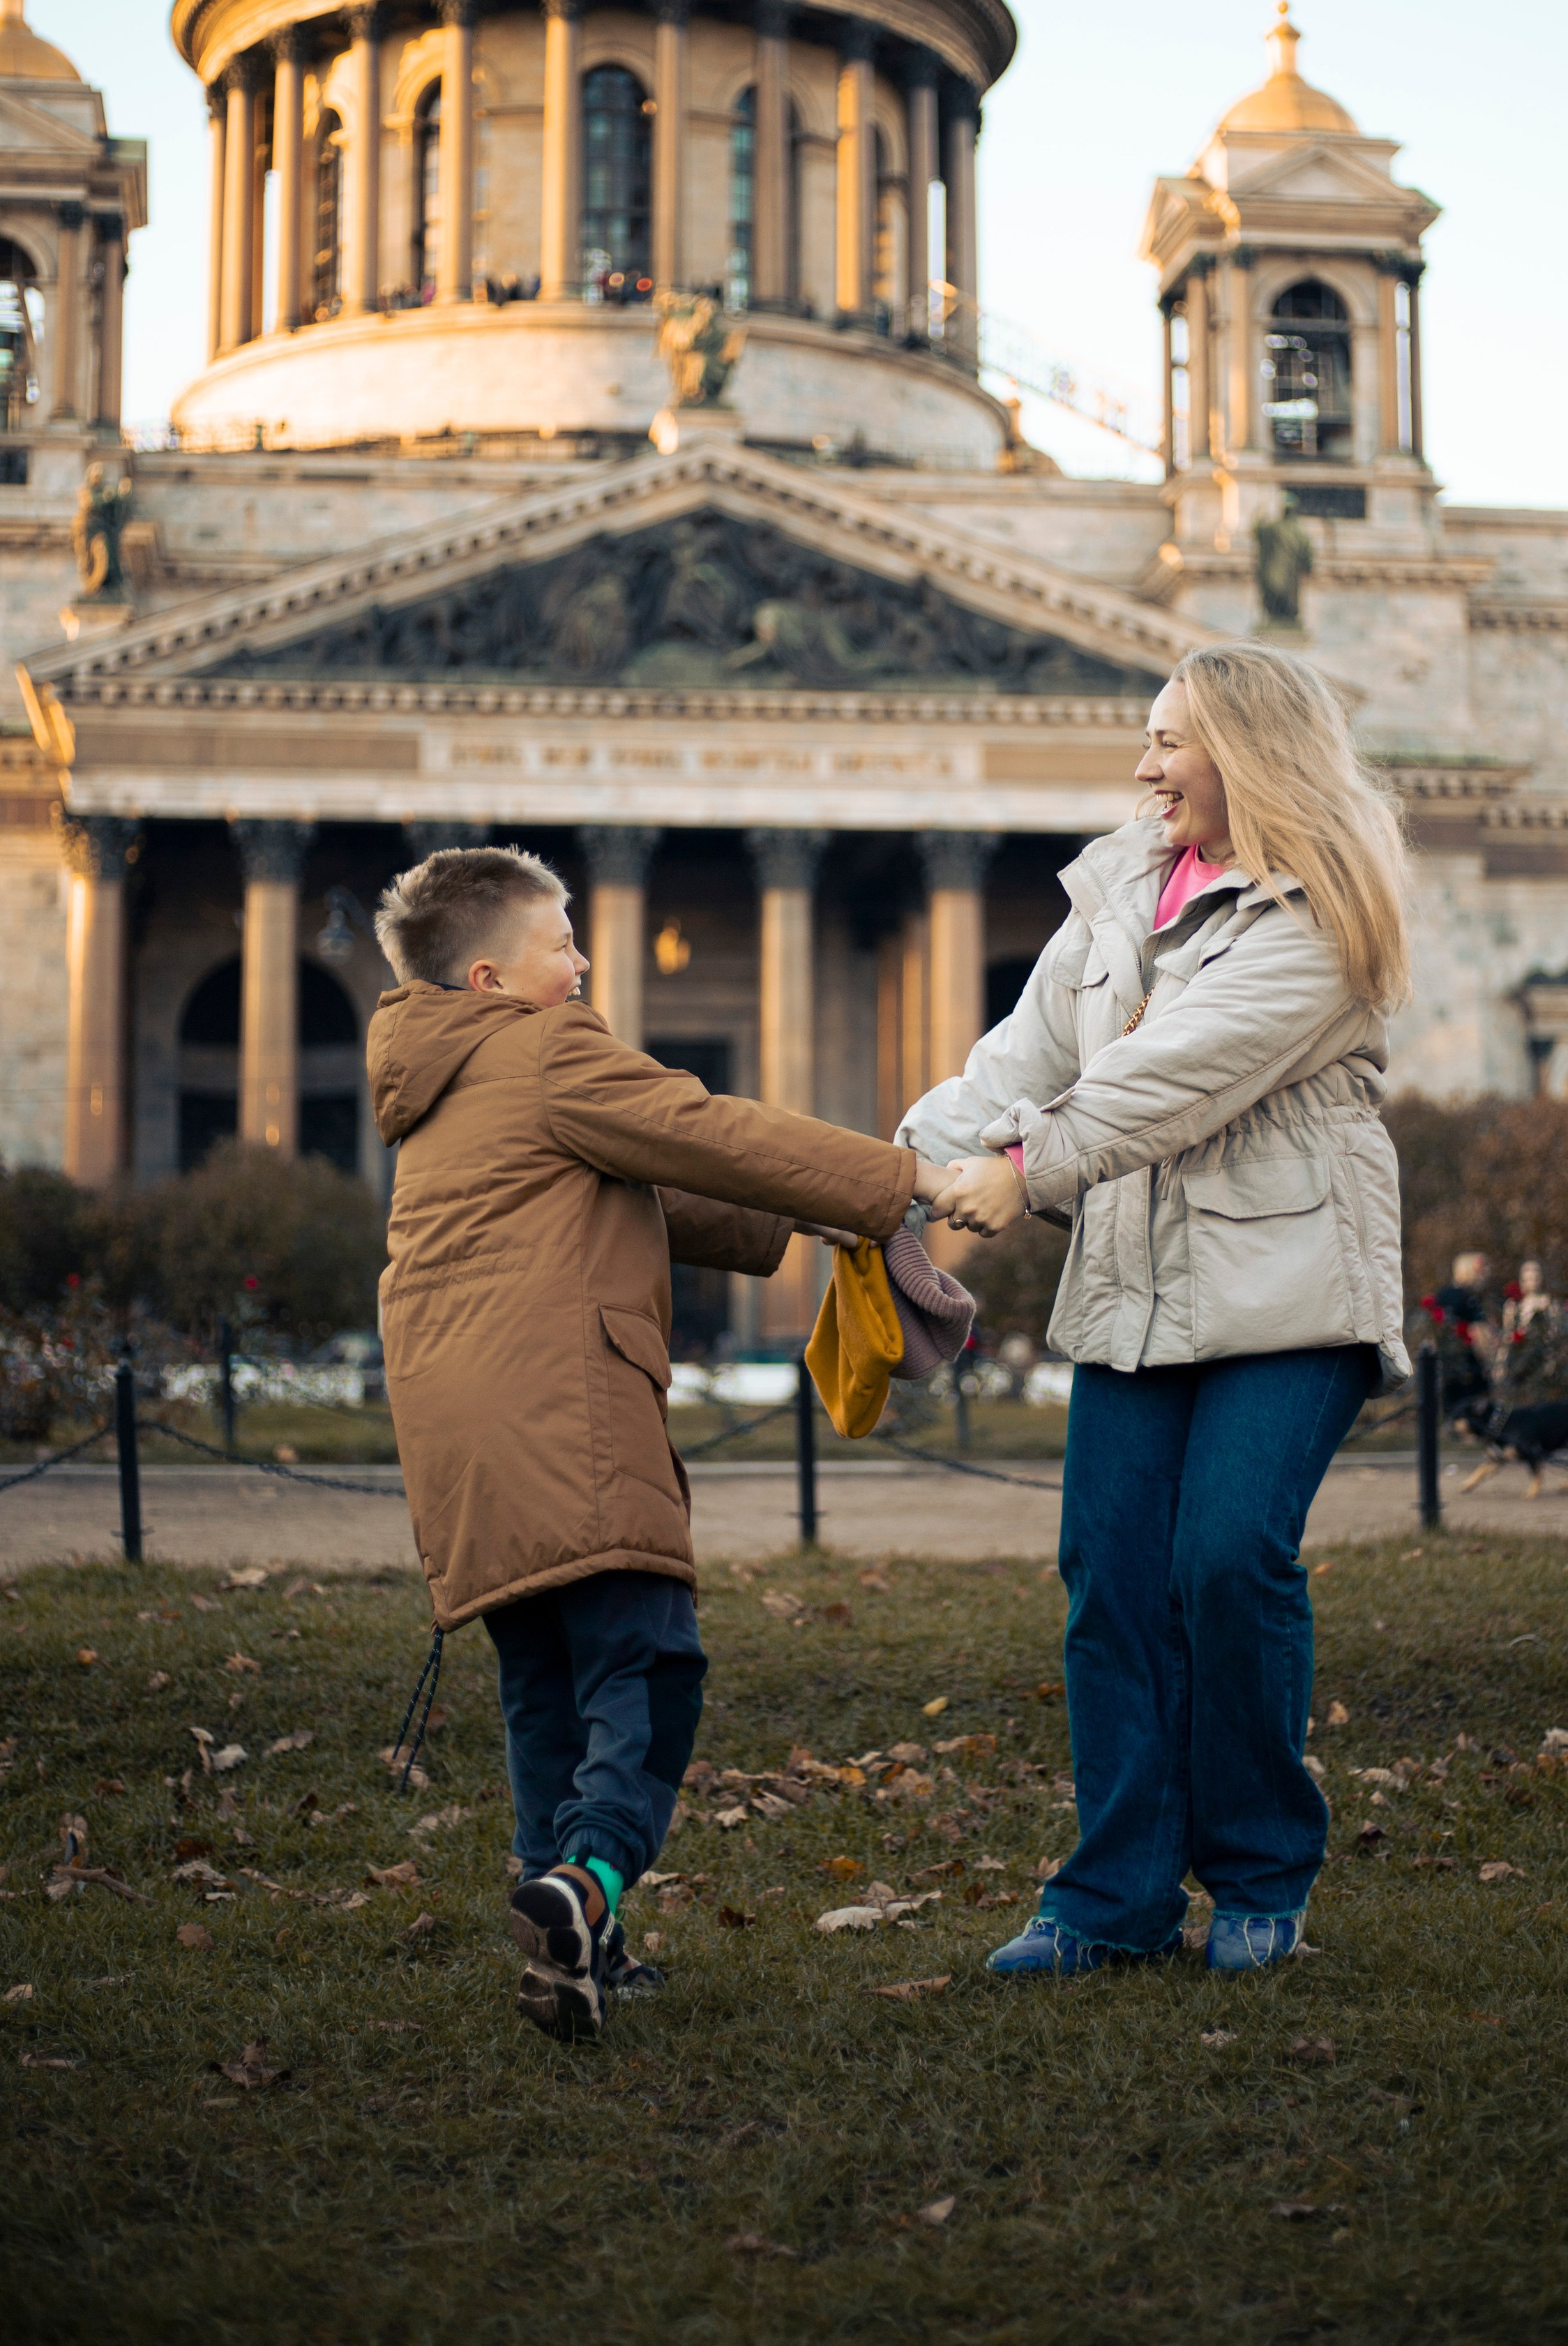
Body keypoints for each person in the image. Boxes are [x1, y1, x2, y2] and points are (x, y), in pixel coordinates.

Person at [368, 844, 960, 2040]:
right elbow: (701, 1127)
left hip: (463, 1442)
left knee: (544, 1686)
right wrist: (901, 1184)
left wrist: (804, 1210)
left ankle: (575, 1949)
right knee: (649, 1664)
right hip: (568, 1415)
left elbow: (646, 1183)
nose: (585, 965)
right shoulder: (547, 1050)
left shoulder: (444, 1093)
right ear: (490, 978)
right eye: (561, 948)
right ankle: (590, 1881)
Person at [899, 640, 1410, 1979]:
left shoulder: (1323, 916)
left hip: (1293, 1291)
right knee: (1110, 1584)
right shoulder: (1118, 886)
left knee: (1227, 1562)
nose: (1144, 767)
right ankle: (1113, 1899)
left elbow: (1168, 1081)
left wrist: (1019, 1168)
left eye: (1170, 742)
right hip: (1135, 1287)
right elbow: (1019, 1061)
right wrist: (886, 1177)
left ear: (1249, 751)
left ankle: (1258, 1872)